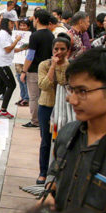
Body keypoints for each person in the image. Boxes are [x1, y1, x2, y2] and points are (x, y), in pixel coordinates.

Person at [46, 48, 106, 213]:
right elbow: (54, 172)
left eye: (83, 91)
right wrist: (49, 193)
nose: (72, 100)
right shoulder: (67, 134)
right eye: (72, 90)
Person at [35, 36, 71, 183]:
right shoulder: (44, 65)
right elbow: (44, 85)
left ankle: (60, 172)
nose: (59, 52)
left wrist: (62, 66)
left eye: (62, 49)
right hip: (46, 107)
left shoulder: (71, 67)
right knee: (46, 140)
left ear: (68, 51)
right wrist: (53, 67)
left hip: (65, 109)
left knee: (64, 141)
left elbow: (64, 82)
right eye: (56, 49)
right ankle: (43, 172)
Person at [22, 9, 56, 128]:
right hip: (47, 71)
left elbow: (30, 56)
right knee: (44, 96)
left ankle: (35, 120)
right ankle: (44, 120)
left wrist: (23, 71)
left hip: (34, 70)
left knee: (34, 97)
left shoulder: (35, 36)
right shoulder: (51, 35)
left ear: (37, 19)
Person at [0, 18, 23, 118]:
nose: (13, 25)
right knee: (12, 85)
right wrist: (17, 40)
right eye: (11, 23)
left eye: (13, 23)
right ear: (5, 24)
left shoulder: (6, 34)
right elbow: (8, 49)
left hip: (1, 62)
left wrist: (22, 48)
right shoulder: (3, 33)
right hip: (1, 63)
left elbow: (10, 49)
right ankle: (3, 109)